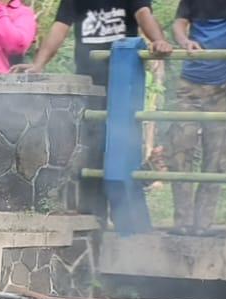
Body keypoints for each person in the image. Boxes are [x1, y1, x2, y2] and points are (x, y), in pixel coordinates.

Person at [15, 0, 173, 228]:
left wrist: (158, 40)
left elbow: (143, 15)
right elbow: (60, 27)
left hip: (122, 84)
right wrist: (38, 64)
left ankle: (128, 225)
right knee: (90, 151)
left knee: (122, 149)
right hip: (88, 83)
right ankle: (93, 220)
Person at [165, 0, 226, 236]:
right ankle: (182, 221)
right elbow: (180, 22)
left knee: (218, 155)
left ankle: (203, 224)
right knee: (180, 149)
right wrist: (184, 41)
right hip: (190, 81)